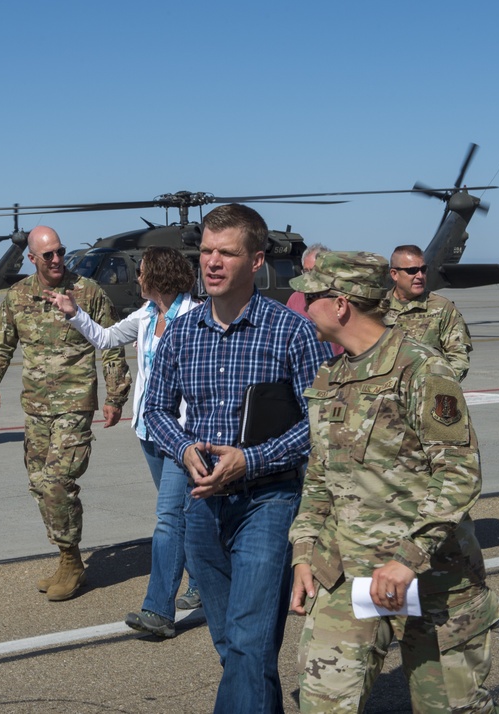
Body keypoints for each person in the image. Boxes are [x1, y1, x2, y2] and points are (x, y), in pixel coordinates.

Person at [289, 251, 499, 713]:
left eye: (311, 297)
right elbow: (321, 474)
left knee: (450, 708)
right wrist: (304, 551)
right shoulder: (332, 375)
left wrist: (409, 559)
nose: (303, 306)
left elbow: (459, 473)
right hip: (351, 573)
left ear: (341, 303)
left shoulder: (421, 368)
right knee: (324, 705)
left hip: (431, 577)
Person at [145, 204, 332, 713]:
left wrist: (253, 459)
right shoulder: (181, 333)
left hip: (267, 503)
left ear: (255, 261)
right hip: (202, 507)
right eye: (206, 250)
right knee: (236, 648)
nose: (212, 262)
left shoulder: (290, 331)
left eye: (226, 252)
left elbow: (324, 421)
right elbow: (155, 410)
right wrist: (183, 449)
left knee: (249, 643)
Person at [44, 246, 201, 638]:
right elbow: (107, 338)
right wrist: (73, 312)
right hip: (150, 431)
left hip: (183, 435)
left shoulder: (195, 316)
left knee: (168, 519)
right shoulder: (147, 315)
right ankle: (201, 584)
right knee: (186, 515)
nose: (137, 278)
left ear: (160, 275)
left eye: (142, 271)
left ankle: (159, 612)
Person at [0, 226, 131, 602]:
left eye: (60, 251)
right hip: (36, 407)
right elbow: (2, 344)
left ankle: (71, 561)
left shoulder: (88, 292)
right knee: (38, 485)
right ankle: (68, 557)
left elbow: (110, 346)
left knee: (56, 482)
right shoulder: (17, 296)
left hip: (75, 405)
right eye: (47, 255)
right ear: (32, 258)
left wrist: (115, 395)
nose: (56, 260)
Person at [383, 244, 472, 381]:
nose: (420, 276)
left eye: (423, 270)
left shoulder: (442, 308)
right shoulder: (377, 308)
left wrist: (439, 387)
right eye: (412, 270)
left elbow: (459, 358)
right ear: (394, 274)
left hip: (427, 394)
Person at [285, 242, 344, 357]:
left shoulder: (339, 298)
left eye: (314, 271)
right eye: (306, 271)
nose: (309, 276)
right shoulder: (295, 299)